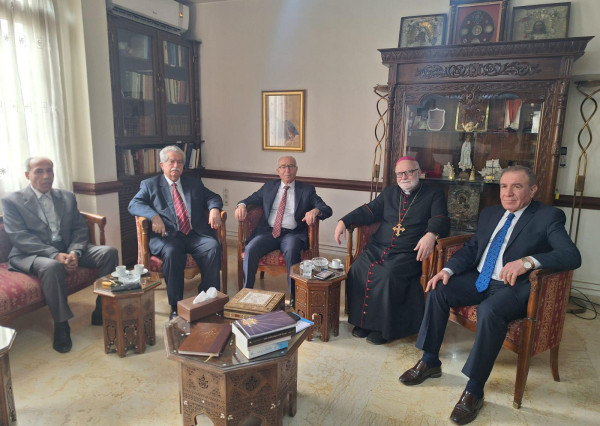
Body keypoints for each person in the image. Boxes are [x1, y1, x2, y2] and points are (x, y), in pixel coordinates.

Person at [399, 165, 581, 425]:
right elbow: (473, 247)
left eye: (517, 186)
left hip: (514, 287)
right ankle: (429, 361)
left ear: (532, 190)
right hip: (480, 279)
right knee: (439, 289)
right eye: (504, 186)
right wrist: (447, 270)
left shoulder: (548, 216)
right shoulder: (491, 213)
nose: (508, 193)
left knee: (489, 311)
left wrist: (528, 262)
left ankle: (474, 390)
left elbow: (571, 255)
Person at [1, 157, 119, 353]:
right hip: (30, 253)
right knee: (52, 266)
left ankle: (102, 308)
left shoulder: (66, 196)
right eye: (39, 171)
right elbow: (19, 237)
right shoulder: (12, 201)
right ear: (27, 175)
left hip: (67, 247)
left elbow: (79, 229)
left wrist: (74, 252)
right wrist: (54, 254)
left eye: (50, 170)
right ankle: (62, 325)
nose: (46, 176)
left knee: (109, 252)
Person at [334, 156, 450, 345]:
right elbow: (369, 210)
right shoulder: (390, 192)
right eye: (399, 173)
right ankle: (363, 322)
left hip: (408, 253)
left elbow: (441, 218)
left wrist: (431, 234)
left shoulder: (433, 195)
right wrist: (344, 221)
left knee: (387, 275)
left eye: (409, 172)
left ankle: (383, 328)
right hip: (378, 247)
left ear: (418, 172)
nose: (404, 177)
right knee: (357, 269)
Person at [128, 145, 223, 320]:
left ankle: (208, 298)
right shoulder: (150, 185)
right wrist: (153, 216)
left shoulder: (193, 182)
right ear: (162, 165)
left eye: (179, 162)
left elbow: (213, 197)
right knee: (172, 252)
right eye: (171, 162)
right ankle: (176, 305)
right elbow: (134, 204)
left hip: (194, 234)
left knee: (213, 246)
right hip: (167, 237)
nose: (176, 166)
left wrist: (214, 209)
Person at [235, 156, 332, 304]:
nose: (287, 170)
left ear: (296, 169)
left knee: (292, 250)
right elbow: (249, 200)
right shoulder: (269, 186)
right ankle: (246, 292)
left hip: (292, 234)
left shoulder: (307, 190)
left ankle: (294, 298)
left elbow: (326, 209)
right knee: (251, 248)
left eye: (291, 166)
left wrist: (315, 211)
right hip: (269, 232)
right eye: (283, 167)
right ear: (278, 171)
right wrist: (241, 205)